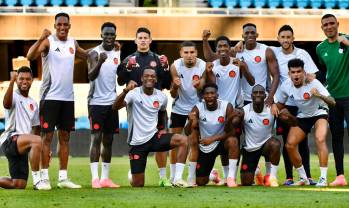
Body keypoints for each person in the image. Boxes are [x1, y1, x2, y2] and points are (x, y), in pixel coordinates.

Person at [27, 12, 88, 189]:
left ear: (69, 26)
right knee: (46, 137)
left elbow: (86, 55)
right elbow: (30, 56)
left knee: (65, 137)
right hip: (50, 98)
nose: (62, 27)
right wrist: (40, 38)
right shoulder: (48, 41)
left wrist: (106, 48)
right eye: (59, 24)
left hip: (68, 98)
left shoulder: (72, 43)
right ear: (55, 26)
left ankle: (63, 178)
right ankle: (44, 177)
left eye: (65, 24)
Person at [113, 68, 189, 187]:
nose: (150, 78)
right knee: (138, 184)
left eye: (152, 76)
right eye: (147, 76)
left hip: (154, 138)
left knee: (183, 140)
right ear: (142, 78)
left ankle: (178, 179)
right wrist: (125, 90)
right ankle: (132, 174)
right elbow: (115, 107)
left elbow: (163, 112)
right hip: (137, 143)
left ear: (156, 79)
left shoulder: (161, 96)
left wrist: (163, 127)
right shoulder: (133, 93)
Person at [116, 27, 171, 186]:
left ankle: (162, 177)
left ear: (150, 40)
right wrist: (126, 69)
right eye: (140, 37)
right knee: (136, 137)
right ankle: (135, 168)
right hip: (136, 106)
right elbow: (120, 82)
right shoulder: (129, 59)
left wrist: (166, 68)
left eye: (146, 37)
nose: (143, 40)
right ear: (135, 41)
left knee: (161, 135)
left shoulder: (158, 59)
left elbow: (166, 84)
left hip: (156, 106)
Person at [275, 58, 336, 187]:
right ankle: (304, 178)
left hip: (320, 112)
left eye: (299, 71)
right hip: (304, 115)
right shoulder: (286, 85)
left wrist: (319, 95)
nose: (296, 75)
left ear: (304, 72)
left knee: (320, 139)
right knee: (289, 145)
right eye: (293, 72)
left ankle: (323, 179)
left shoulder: (313, 82)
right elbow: (280, 103)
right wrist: (275, 107)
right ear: (289, 73)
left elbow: (332, 102)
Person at [271, 25, 319, 185]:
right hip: (284, 104)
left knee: (302, 140)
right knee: (287, 141)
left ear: (293, 38)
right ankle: (289, 176)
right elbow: (254, 46)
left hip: (301, 103)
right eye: (282, 37)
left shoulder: (302, 54)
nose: (285, 40)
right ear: (278, 39)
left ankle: (308, 175)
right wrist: (239, 45)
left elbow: (313, 74)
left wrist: (310, 77)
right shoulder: (273, 52)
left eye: (288, 37)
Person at [0, 67, 49, 190]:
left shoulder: (33, 103)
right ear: (17, 80)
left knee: (18, 184)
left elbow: (36, 128)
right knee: (37, 140)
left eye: (27, 79)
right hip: (10, 140)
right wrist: (11, 82)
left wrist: (39, 148)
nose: (24, 81)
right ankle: (38, 181)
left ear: (32, 80)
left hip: (23, 145)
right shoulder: (14, 96)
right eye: (21, 79)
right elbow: (6, 104)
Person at [184, 83, 240, 187]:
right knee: (201, 182)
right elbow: (187, 132)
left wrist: (213, 138)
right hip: (206, 146)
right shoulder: (197, 108)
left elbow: (232, 132)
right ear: (203, 96)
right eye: (206, 94)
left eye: (212, 93)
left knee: (233, 141)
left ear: (217, 95)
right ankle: (213, 176)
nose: (209, 96)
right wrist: (190, 122)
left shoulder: (226, 106)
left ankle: (231, 178)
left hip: (221, 142)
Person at [317, 13, 349, 186]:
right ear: (321, 28)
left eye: (331, 23)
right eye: (325, 24)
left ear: (337, 24)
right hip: (333, 100)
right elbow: (325, 71)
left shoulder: (347, 40)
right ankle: (340, 176)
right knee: (336, 137)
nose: (329, 27)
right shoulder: (320, 48)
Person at [87, 22, 120, 189]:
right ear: (101, 35)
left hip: (112, 103)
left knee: (108, 140)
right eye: (106, 34)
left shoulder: (117, 52)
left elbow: (119, 78)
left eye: (111, 34)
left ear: (115, 36)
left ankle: (105, 178)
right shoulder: (94, 53)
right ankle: (95, 179)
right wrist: (99, 62)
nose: (109, 37)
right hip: (96, 103)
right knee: (96, 138)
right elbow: (91, 76)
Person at [169, 41, 206, 184]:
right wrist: (174, 87)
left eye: (192, 52)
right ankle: (173, 177)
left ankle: (191, 178)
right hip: (178, 108)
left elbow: (202, 87)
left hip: (196, 108)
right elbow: (172, 94)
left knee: (194, 142)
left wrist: (198, 86)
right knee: (174, 143)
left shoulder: (202, 66)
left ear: (196, 53)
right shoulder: (175, 66)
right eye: (186, 52)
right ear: (181, 54)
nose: (189, 56)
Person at [239, 85, 281, 187]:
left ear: (265, 95)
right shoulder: (244, 110)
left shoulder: (271, 109)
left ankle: (272, 177)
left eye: (261, 93)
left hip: (266, 145)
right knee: (246, 183)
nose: (258, 94)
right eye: (255, 92)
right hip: (250, 148)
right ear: (251, 96)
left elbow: (282, 111)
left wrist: (275, 104)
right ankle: (257, 172)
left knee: (275, 144)